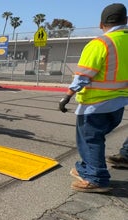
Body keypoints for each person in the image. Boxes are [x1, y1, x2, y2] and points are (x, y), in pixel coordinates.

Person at [59, 3, 128, 193]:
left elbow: (82, 76)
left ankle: (96, 178)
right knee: (95, 138)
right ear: (126, 21)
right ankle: (85, 168)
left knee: (90, 139)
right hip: (119, 103)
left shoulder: (101, 43)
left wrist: (66, 97)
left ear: (101, 23)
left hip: (95, 103)